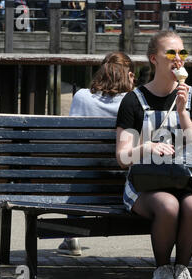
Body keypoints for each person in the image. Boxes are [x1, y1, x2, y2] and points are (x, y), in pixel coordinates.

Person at [115, 31, 192, 279]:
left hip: (184, 177)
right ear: (154, 59)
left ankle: (183, 268)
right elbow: (122, 157)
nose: (178, 59)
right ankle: (162, 268)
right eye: (171, 53)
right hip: (146, 182)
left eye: (182, 53)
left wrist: (182, 112)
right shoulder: (133, 100)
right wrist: (146, 146)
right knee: (168, 206)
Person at [57, 52, 135, 256]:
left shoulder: (82, 96)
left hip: (85, 182)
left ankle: (71, 235)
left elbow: (73, 140)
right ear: (129, 75)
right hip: (123, 179)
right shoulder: (133, 100)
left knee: (81, 165)